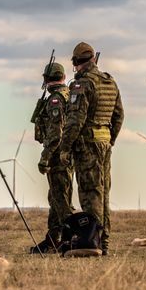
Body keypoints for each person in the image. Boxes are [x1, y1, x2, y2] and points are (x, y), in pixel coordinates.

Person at [59, 42, 124, 256]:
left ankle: (92, 241)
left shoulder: (83, 85)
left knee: (90, 194)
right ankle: (103, 242)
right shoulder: (110, 81)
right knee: (104, 193)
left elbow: (75, 121)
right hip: (105, 144)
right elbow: (118, 115)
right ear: (93, 59)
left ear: (78, 63)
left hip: (87, 146)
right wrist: (109, 139)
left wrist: (65, 148)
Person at [30, 62, 74, 254]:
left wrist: (45, 157)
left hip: (57, 155)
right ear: (63, 77)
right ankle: (53, 240)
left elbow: (56, 132)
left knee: (61, 200)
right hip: (66, 153)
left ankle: (69, 240)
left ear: (47, 79)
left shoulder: (56, 99)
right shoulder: (68, 96)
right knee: (56, 197)